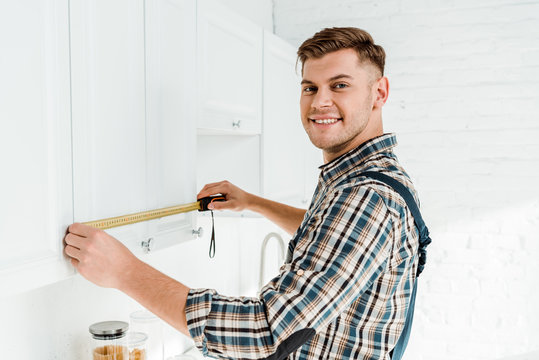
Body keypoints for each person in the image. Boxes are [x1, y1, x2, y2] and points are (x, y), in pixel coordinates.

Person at [64, 27, 426, 359]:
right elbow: (332, 235)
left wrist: (125, 272)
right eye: (310, 87)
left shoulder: (365, 198)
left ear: (379, 93)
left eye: (340, 85)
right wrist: (252, 203)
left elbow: (264, 333)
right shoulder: (369, 179)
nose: (319, 102)